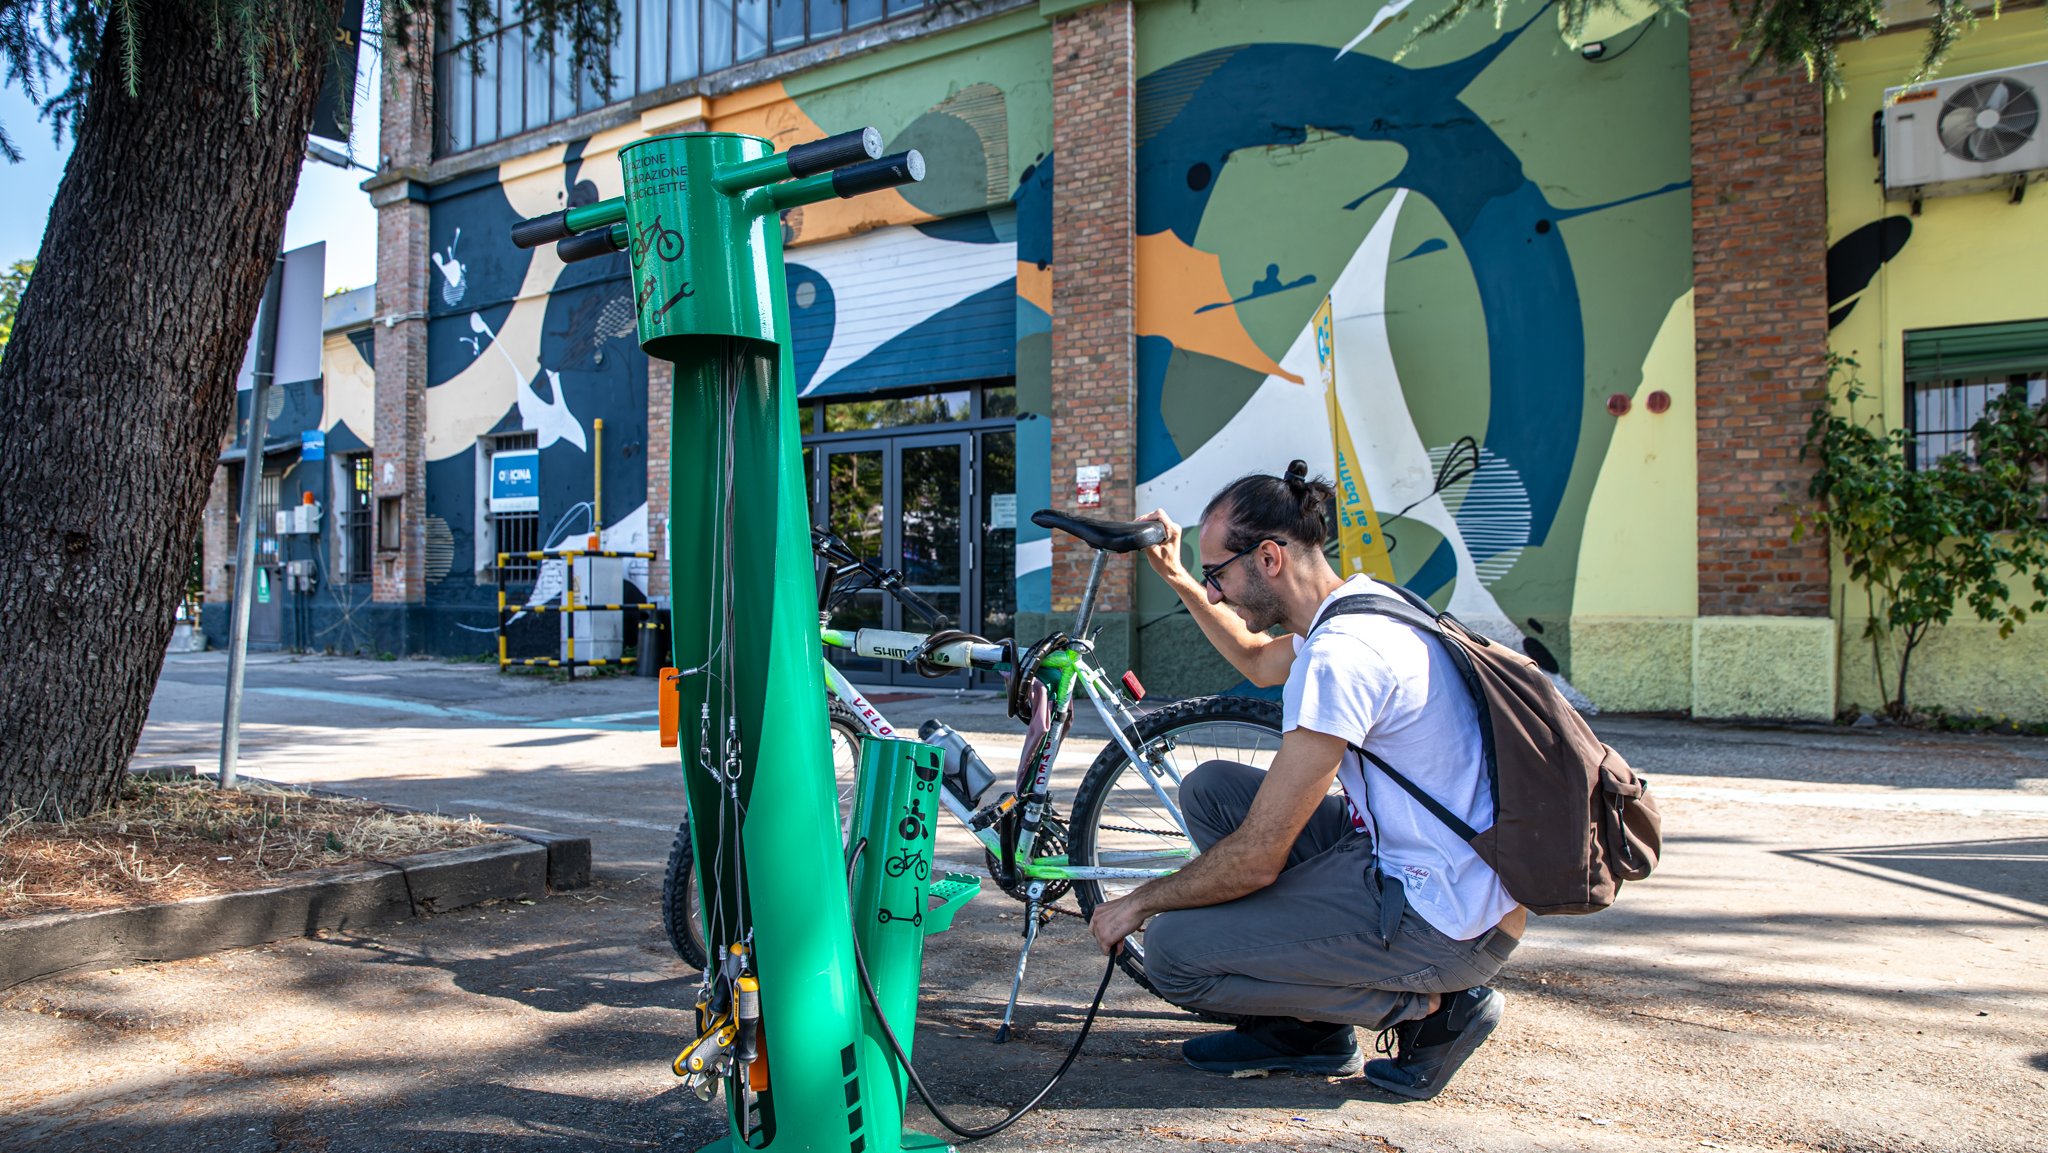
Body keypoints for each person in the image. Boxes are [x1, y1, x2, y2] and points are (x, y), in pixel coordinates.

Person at [1086, 460, 1524, 1100]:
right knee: (1211, 789)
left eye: (1218, 575)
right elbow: (1258, 661)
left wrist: (1138, 901)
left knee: (1174, 951)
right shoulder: (1366, 606)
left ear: (1267, 558)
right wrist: (1179, 576)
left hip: (1447, 921)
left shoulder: (1341, 657)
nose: (1214, 593)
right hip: (1436, 870)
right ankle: (1304, 1030)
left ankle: (1435, 1014)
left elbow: (1259, 858)